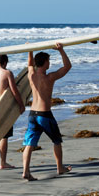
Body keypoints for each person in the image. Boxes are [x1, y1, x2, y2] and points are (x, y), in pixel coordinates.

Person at [22, 43, 72, 181]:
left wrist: (29, 50)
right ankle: (60, 168)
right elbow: (67, 67)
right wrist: (61, 50)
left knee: (29, 144)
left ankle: (26, 171)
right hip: (45, 115)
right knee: (57, 141)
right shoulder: (49, 77)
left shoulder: (31, 75)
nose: (50, 63)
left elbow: (30, 64)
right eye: (48, 61)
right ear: (44, 63)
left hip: (32, 115)